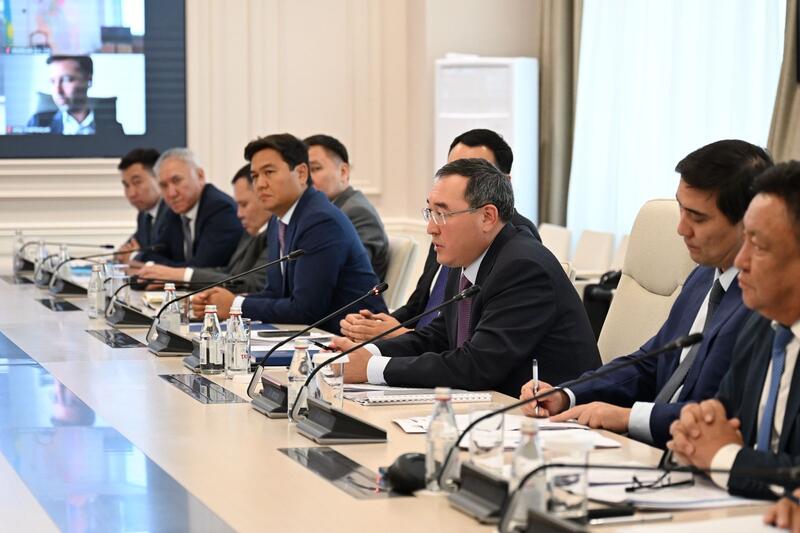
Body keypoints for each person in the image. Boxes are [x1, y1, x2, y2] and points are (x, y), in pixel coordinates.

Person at [519, 140, 772, 448]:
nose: (681, 228)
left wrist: (629, 418)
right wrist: (567, 394)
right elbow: (650, 363)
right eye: (681, 209)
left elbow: (725, 413)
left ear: (748, 222)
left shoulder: (765, 301)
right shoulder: (703, 277)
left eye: (697, 217)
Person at [333, 158, 599, 397]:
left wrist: (371, 368)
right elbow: (438, 337)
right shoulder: (465, 260)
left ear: (487, 217)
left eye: (442, 214)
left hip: (554, 420)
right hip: (493, 408)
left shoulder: (523, 267)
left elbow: (478, 365)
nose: (430, 228)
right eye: (429, 212)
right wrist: (367, 353)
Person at [667, 161, 800, 500]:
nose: (741, 261)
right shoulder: (762, 325)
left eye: (759, 246)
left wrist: (724, 458)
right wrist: (695, 427)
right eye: (745, 241)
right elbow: (719, 419)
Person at [340, 128, 541, 342]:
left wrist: (400, 335)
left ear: (505, 183)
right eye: (453, 169)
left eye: (474, 172)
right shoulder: (446, 227)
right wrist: (377, 326)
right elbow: (420, 304)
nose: (431, 228)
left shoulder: (516, 244)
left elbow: (473, 344)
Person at [191, 133, 386, 334]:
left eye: (269, 172)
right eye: (255, 176)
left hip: (355, 337)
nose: (260, 184)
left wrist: (235, 305)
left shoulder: (320, 220)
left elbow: (306, 310)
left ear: (301, 173)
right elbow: (276, 293)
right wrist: (223, 301)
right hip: (314, 335)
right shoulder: (279, 219)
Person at [136, 164, 271, 293]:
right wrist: (176, 277)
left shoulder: (221, 208)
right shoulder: (251, 232)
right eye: (164, 185)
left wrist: (181, 276)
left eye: (244, 204)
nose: (239, 214)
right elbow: (230, 272)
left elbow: (252, 285)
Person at [137, 148, 243, 268]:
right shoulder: (173, 212)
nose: (171, 193)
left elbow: (200, 269)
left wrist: (159, 269)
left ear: (200, 176)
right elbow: (152, 253)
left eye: (176, 180)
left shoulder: (222, 210)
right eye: (164, 185)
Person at [304, 134, 389, 280]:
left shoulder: (357, 213)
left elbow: (349, 274)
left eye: (315, 168)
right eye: (302, 172)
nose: (306, 179)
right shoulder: (323, 211)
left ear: (343, 172)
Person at [26, 55, 124, 135]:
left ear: (88, 80)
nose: (57, 91)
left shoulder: (113, 129)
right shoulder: (37, 124)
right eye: (52, 81)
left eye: (66, 80)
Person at [116, 148, 166, 263]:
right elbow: (126, 250)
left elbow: (164, 259)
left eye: (137, 182)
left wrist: (133, 256)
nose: (131, 193)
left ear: (158, 178)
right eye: (126, 185)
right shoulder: (144, 215)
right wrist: (121, 254)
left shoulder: (174, 212)